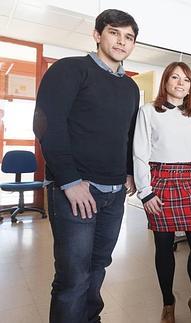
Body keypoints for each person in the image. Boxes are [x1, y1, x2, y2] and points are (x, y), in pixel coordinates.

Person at [33, 9, 140, 323]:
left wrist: (129, 171)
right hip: (77, 191)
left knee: (97, 268)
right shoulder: (70, 70)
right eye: (114, 33)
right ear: (97, 35)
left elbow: (128, 134)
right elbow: (47, 127)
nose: (121, 41)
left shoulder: (130, 88)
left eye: (129, 37)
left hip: (114, 193)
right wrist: (69, 181)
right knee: (73, 277)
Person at [133, 62, 191, 323]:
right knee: (163, 247)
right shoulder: (148, 111)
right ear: (165, 81)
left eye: (186, 79)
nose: (181, 83)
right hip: (161, 183)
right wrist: (145, 192)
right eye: (175, 77)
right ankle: (168, 303)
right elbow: (140, 152)